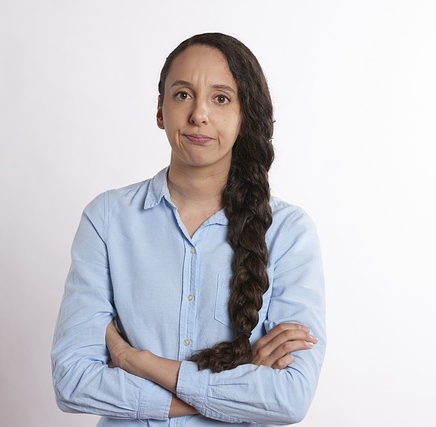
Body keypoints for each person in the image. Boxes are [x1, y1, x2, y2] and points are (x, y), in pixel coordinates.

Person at [51, 32, 326, 426]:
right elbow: (73, 381)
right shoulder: (107, 218)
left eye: (221, 98)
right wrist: (237, 388)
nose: (199, 114)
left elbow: (289, 398)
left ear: (244, 115)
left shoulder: (288, 232)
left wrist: (139, 361)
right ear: (160, 110)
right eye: (182, 94)